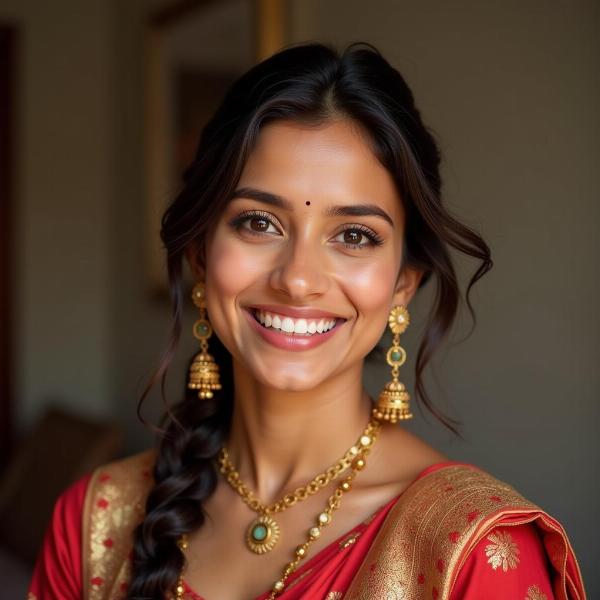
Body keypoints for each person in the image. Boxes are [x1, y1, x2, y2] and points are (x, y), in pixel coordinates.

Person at [28, 43, 585, 600]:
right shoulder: (94, 521)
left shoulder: (472, 553)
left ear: (402, 285)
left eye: (354, 236)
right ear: (200, 257)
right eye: (258, 223)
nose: (297, 278)